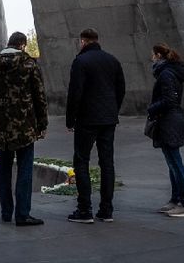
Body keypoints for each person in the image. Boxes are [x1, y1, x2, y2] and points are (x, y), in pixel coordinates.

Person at [0, 31, 48, 227]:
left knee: (4, 169)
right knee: (25, 169)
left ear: (8, 44)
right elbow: (39, 96)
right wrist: (42, 124)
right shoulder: (29, 64)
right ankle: (23, 214)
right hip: (25, 126)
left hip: (0, 126)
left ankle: (6, 211)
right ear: (23, 45)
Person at [65, 28, 125, 223]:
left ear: (83, 42)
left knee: (81, 161)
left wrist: (70, 119)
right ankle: (106, 210)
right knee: (107, 162)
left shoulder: (80, 62)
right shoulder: (112, 60)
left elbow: (75, 93)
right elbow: (121, 89)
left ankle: (84, 210)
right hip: (108, 119)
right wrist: (112, 110)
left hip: (87, 119)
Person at [148, 42, 184, 218]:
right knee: (172, 162)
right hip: (171, 119)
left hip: (169, 120)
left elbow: (169, 100)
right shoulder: (170, 72)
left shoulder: (166, 74)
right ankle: (175, 200)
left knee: (175, 162)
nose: (152, 58)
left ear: (158, 56)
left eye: (153, 55)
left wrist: (151, 108)